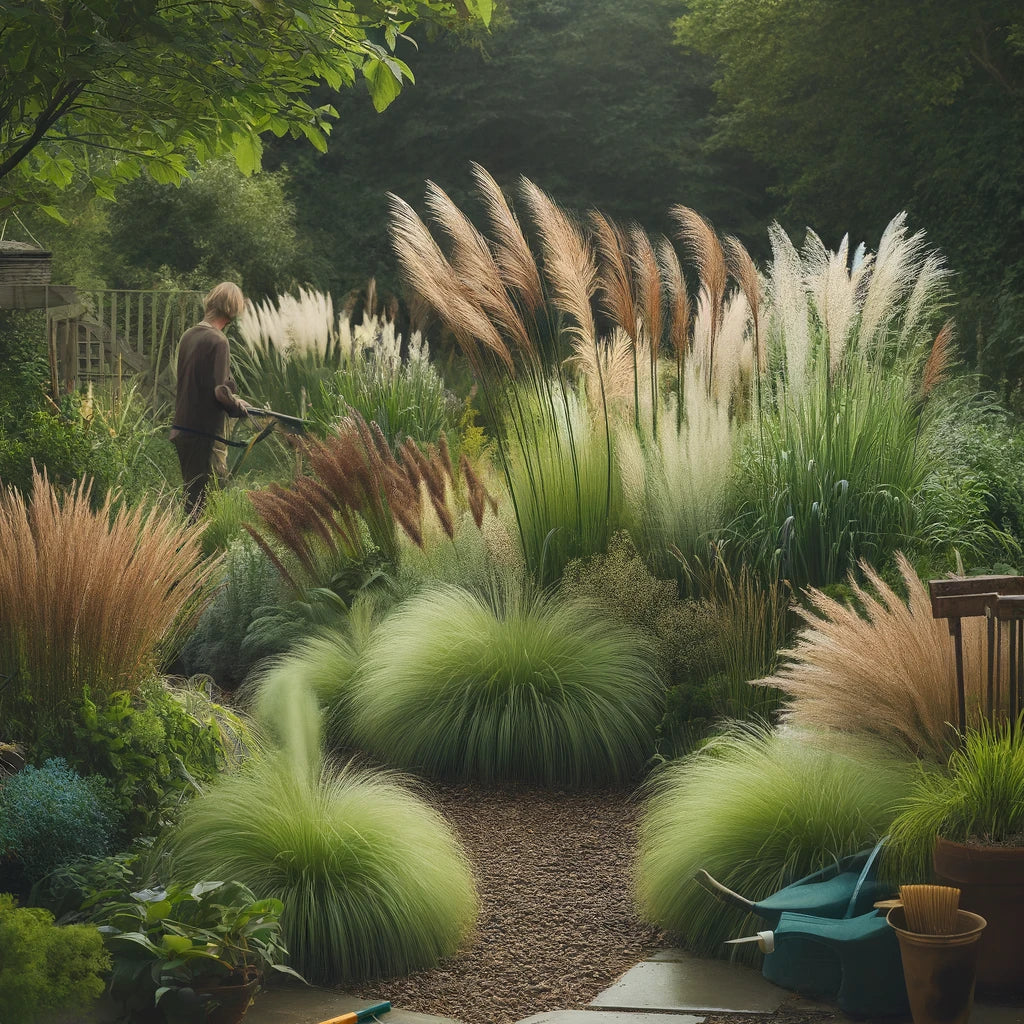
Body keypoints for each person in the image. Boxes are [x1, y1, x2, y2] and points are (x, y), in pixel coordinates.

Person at [170, 282, 250, 518]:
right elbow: (219, 392)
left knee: (192, 499)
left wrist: (233, 397)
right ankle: (194, 543)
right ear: (232, 309)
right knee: (205, 506)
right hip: (205, 436)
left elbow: (202, 384)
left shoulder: (189, 336)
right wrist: (237, 406)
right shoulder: (218, 341)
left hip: (183, 430)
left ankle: (184, 540)